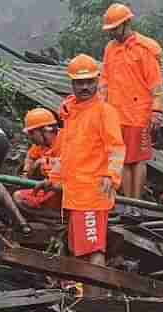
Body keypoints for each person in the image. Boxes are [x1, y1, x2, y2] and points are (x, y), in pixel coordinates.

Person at [50, 54, 125, 267]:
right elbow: (66, 152)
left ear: (97, 81)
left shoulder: (104, 112)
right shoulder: (71, 115)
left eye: (89, 82)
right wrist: (54, 178)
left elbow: (117, 148)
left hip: (93, 192)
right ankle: (87, 295)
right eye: (80, 82)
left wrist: (112, 176)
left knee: (93, 249)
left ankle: (96, 299)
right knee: (79, 250)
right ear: (72, 83)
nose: (85, 87)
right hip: (75, 194)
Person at [99, 2, 163, 203]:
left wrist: (157, 111)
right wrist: (100, 106)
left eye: (115, 29)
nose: (112, 34)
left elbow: (156, 84)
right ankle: (128, 203)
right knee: (123, 159)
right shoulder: (110, 49)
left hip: (139, 113)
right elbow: (104, 79)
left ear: (126, 23)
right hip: (116, 114)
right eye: (110, 30)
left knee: (139, 160)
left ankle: (137, 203)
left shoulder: (144, 49)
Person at [15, 108, 63, 217]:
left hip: (69, 192)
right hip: (50, 192)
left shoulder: (68, 140)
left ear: (46, 129)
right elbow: (30, 157)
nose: (30, 136)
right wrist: (26, 172)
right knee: (18, 197)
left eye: (32, 132)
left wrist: (43, 162)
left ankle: (60, 218)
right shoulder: (40, 144)